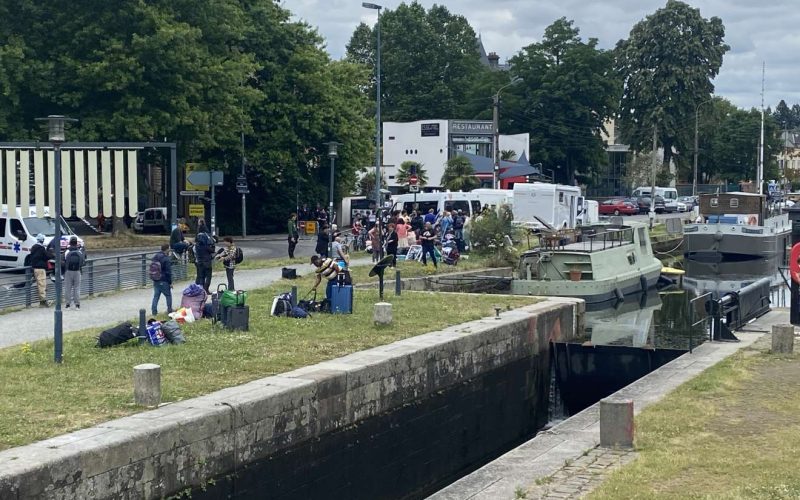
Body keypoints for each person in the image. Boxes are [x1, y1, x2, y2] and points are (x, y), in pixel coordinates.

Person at [151, 243, 173, 315]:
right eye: (169, 248)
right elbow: (168, 272)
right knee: (168, 295)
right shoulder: (166, 259)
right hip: (163, 280)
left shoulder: (155, 256)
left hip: (155, 279)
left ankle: (154, 312)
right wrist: (170, 282)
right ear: (167, 249)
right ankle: (169, 310)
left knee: (156, 296)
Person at [63, 237, 85, 309]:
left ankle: (68, 304)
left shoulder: (67, 252)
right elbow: (82, 261)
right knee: (77, 288)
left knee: (67, 288)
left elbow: (63, 261)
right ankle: (77, 304)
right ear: (76, 243)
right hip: (77, 271)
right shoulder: (79, 252)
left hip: (68, 271)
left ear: (70, 243)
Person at [193, 218, 214, 293]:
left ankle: (200, 290)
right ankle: (206, 290)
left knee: (201, 276)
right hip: (207, 262)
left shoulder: (197, 246)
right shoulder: (206, 246)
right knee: (208, 276)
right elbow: (212, 250)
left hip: (200, 261)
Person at [29, 233, 49, 307]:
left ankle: (42, 300)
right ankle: (43, 301)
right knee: (42, 284)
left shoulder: (33, 247)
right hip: (41, 268)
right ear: (42, 240)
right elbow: (46, 256)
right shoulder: (41, 248)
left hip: (34, 268)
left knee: (39, 284)